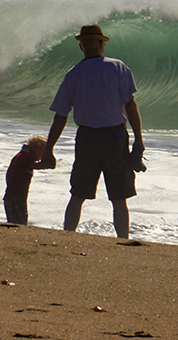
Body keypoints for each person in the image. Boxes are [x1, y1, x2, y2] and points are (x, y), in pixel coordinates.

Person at [43, 24, 145, 239]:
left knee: (78, 194)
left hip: (87, 138)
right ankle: (122, 240)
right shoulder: (117, 67)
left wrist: (49, 149)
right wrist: (138, 140)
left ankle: (68, 236)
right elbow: (131, 106)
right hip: (115, 137)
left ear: (82, 47)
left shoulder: (73, 74)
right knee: (119, 198)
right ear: (101, 44)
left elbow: (60, 116)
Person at [2, 135, 53, 226]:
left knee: (16, 222)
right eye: (44, 152)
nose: (43, 156)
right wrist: (48, 164)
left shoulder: (23, 155)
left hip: (14, 195)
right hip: (15, 197)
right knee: (19, 223)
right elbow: (34, 165)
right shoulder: (25, 157)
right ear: (39, 148)